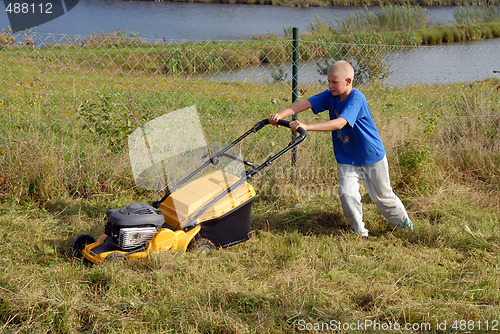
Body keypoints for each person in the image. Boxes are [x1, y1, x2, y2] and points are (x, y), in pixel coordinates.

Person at [268, 60, 412, 239]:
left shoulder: (357, 98)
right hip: (347, 157)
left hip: (371, 156)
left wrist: (307, 126)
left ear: (348, 81)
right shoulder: (330, 96)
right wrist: (279, 116)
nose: (330, 85)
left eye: (334, 82)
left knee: (383, 197)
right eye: (328, 81)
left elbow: (340, 122)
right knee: (347, 194)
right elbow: (305, 103)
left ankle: (405, 228)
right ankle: (359, 233)